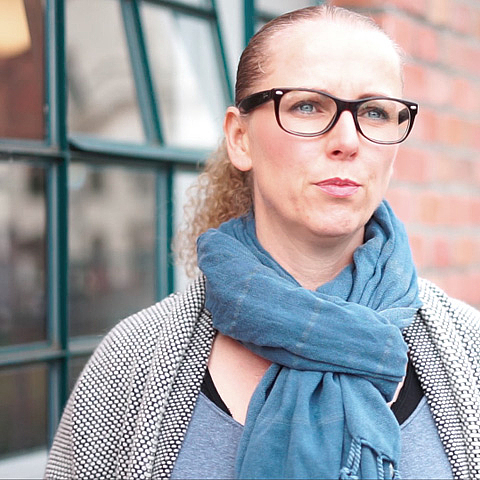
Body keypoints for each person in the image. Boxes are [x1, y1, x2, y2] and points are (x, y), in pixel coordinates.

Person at [45, 5, 480, 480]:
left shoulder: (469, 352)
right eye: (307, 106)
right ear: (240, 138)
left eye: (375, 112)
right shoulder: (130, 368)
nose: (348, 140)